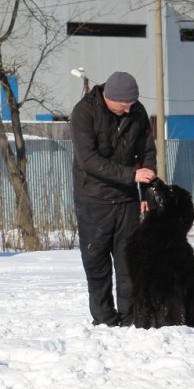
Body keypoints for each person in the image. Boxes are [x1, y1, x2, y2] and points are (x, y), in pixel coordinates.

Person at [71, 71, 157, 327]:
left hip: (128, 201)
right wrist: (132, 175)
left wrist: (147, 194)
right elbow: (89, 161)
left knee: (129, 262)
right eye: (124, 105)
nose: (129, 109)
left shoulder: (137, 111)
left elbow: (147, 153)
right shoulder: (84, 113)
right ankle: (105, 319)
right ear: (110, 98)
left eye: (132, 104)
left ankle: (131, 318)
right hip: (93, 200)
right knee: (96, 264)